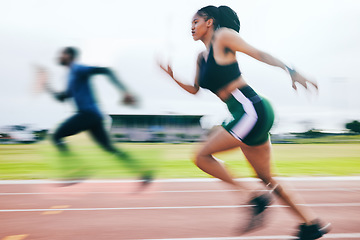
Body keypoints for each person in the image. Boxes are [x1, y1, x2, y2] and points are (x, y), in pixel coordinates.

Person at [159, 5, 330, 240]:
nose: (191, 27)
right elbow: (195, 90)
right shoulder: (201, 57)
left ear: (210, 22)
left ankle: (254, 197)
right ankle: (311, 224)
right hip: (247, 113)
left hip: (251, 109)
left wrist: (292, 71)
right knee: (266, 178)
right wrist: (172, 76)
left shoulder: (223, 36)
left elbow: (258, 53)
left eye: (196, 21)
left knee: (201, 156)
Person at [37, 47, 153, 188]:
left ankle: (77, 168)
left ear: (68, 55)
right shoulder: (70, 76)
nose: (59, 56)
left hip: (88, 114)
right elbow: (63, 97)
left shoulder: (78, 69)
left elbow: (106, 70)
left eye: (61, 54)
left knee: (56, 136)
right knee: (109, 148)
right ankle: (144, 173)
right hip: (94, 116)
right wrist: (47, 87)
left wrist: (124, 91)